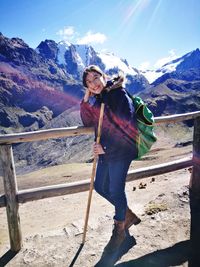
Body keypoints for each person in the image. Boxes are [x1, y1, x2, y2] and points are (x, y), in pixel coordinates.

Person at [80, 65, 141, 252]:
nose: (93, 84)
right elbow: (87, 122)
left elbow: (126, 127)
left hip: (121, 151)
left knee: (115, 189)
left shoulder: (118, 94)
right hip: (106, 152)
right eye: (88, 82)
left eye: (95, 78)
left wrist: (104, 147)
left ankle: (120, 231)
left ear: (103, 76)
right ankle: (126, 214)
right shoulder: (99, 98)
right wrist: (85, 100)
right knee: (100, 186)